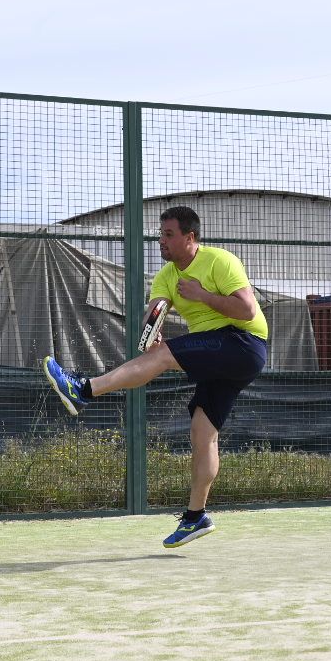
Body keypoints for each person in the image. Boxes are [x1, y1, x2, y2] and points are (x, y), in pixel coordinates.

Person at [43, 205, 269, 549]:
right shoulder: (166, 276)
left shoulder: (220, 261)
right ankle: (196, 516)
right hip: (221, 355)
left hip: (243, 342)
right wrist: (151, 331)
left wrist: (202, 295)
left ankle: (83, 390)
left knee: (162, 357)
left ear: (190, 238)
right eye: (160, 234)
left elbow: (248, 310)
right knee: (203, 433)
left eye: (168, 235)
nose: (160, 241)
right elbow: (154, 313)